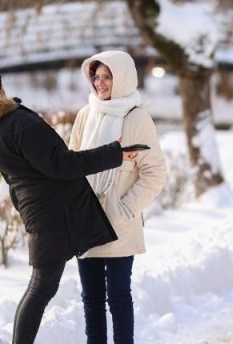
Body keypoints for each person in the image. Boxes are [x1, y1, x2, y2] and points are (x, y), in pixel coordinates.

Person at [0, 59, 139, 344]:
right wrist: (115, 154)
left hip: (41, 212)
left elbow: (17, 181)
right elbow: (62, 165)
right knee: (41, 287)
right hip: (52, 216)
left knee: (41, 288)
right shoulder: (17, 124)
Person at [69, 51, 166, 344]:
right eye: (96, 77)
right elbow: (72, 165)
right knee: (91, 299)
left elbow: (155, 172)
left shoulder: (137, 118)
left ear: (121, 78)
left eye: (107, 77)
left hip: (119, 223)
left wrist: (126, 208)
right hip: (87, 219)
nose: (100, 83)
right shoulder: (85, 115)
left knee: (119, 296)